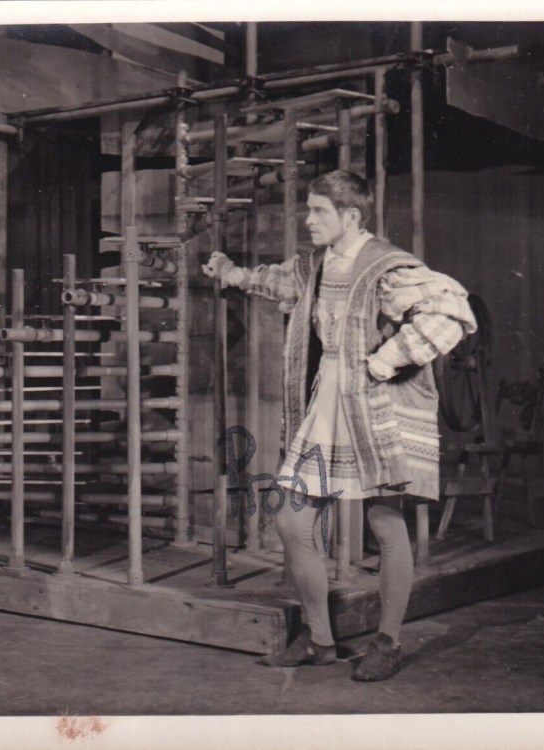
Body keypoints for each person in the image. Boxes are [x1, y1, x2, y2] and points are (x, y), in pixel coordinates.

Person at [202, 170, 476, 681]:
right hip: (325, 401)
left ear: (350, 216)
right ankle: (319, 640)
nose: (307, 220)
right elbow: (278, 282)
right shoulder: (314, 264)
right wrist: (231, 273)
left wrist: (386, 361)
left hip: (373, 408)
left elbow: (451, 312)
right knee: (292, 521)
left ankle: (387, 642)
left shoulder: (387, 265)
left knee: (385, 522)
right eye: (308, 210)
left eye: (318, 211)